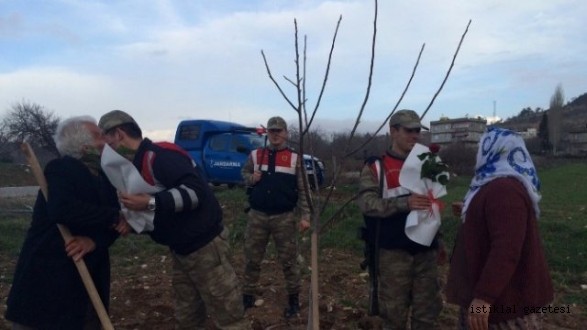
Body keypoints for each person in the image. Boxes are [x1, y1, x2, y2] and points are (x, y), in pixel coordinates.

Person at [98, 110, 249, 330]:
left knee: (228, 315)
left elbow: (195, 193)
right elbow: (162, 208)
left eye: (107, 138)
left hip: (204, 248)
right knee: (187, 314)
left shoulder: (160, 156)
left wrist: (150, 202)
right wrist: (135, 222)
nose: (106, 147)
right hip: (182, 249)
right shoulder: (137, 165)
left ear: (119, 134)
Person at [5, 116, 127, 329]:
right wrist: (112, 217)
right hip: (49, 277)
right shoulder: (61, 169)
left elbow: (115, 222)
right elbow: (62, 209)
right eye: (99, 136)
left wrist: (95, 241)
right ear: (82, 144)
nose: (106, 141)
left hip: (88, 278)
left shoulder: (104, 176)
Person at [446, 127, 553, 330]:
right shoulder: (496, 183)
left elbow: (506, 249)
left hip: (504, 308)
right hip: (501, 300)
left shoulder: (503, 189)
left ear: (493, 150)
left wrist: (484, 298)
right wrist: (473, 213)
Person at [356, 109, 443, 330]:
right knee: (393, 316)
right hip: (393, 254)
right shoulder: (376, 166)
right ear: (393, 131)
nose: (415, 136)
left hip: (426, 252)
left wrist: (438, 240)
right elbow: (367, 204)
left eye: (417, 131)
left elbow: (432, 205)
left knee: (427, 314)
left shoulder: (428, 163)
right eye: (409, 131)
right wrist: (404, 203)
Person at [241, 116, 311, 318]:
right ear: (268, 133)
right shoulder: (256, 155)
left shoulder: (295, 159)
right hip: (257, 216)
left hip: (284, 217)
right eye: (272, 131)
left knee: (289, 261)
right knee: (252, 259)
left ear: (286, 134)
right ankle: (247, 296)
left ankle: (293, 300)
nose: (276, 134)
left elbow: (303, 190)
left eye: (279, 130)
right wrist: (250, 178)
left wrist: (305, 216)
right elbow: (243, 174)